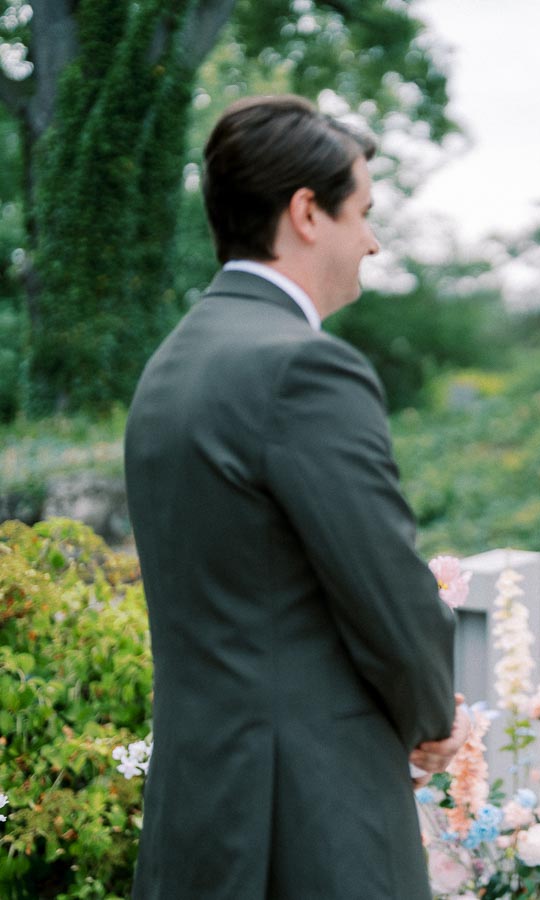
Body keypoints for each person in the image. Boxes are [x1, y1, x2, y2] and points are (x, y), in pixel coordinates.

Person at [124, 95, 464, 900]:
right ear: (307, 212)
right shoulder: (304, 368)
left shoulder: (171, 364)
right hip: (310, 810)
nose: (372, 242)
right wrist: (431, 717)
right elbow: (383, 582)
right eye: (364, 213)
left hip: (197, 804)